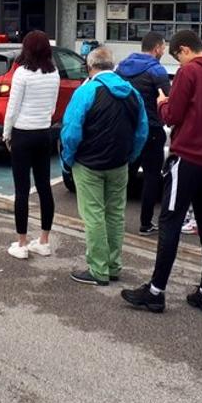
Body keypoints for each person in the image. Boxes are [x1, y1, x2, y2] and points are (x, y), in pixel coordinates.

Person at [121, 30, 202, 312]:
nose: (179, 62)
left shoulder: (189, 74)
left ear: (185, 50)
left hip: (187, 159)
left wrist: (162, 103)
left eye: (178, 57)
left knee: (170, 222)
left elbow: (172, 115)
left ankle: (156, 290)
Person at [62, 46, 147, 285]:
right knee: (115, 214)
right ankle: (113, 265)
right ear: (113, 66)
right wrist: (130, 157)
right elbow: (142, 130)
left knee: (94, 216)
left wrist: (68, 160)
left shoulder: (86, 91)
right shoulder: (132, 92)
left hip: (89, 163)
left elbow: (71, 132)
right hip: (119, 163)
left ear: (90, 67)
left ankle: (98, 269)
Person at [3, 30, 61, 260]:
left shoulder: (22, 74)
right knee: (44, 186)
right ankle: (44, 240)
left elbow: (12, 108)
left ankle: (22, 242)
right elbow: (53, 106)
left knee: (21, 189)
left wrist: (7, 134)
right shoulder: (54, 72)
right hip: (43, 133)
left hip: (22, 134)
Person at [115, 32, 172, 235]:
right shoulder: (157, 70)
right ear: (156, 48)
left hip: (127, 128)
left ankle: (115, 221)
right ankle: (145, 223)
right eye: (163, 47)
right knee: (151, 177)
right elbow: (168, 99)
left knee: (123, 176)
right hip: (152, 130)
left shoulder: (121, 67)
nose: (164, 51)